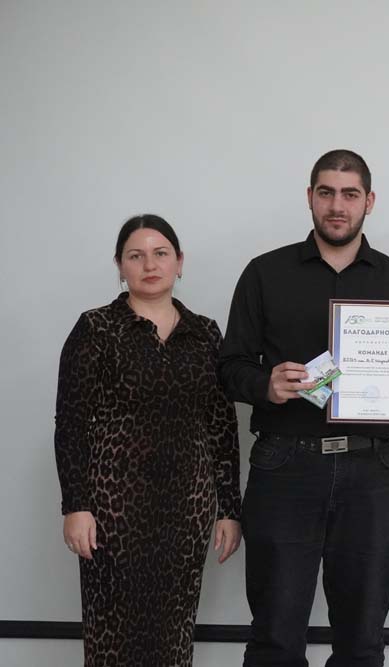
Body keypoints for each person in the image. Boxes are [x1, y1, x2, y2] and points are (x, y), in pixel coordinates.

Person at [218, 149, 389, 667]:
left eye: (350, 194)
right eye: (327, 193)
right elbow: (229, 367)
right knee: (275, 635)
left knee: (362, 638)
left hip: (369, 468)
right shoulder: (264, 273)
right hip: (284, 465)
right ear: (310, 197)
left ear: (369, 201)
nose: (338, 206)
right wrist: (266, 384)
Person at [55, 214, 242, 667]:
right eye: (136, 256)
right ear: (120, 265)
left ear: (180, 261)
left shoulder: (205, 333)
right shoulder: (97, 328)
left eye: (161, 254)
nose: (150, 265)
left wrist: (229, 509)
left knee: (172, 634)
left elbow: (221, 425)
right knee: (113, 634)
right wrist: (75, 505)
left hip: (187, 508)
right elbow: (71, 423)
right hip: (112, 510)